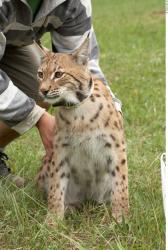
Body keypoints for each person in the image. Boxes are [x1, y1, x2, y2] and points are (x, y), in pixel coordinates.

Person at [0, 0, 121, 187]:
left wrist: (112, 110)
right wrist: (37, 117)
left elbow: (83, 70)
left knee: (39, 87)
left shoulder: (76, 3)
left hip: (12, 39)